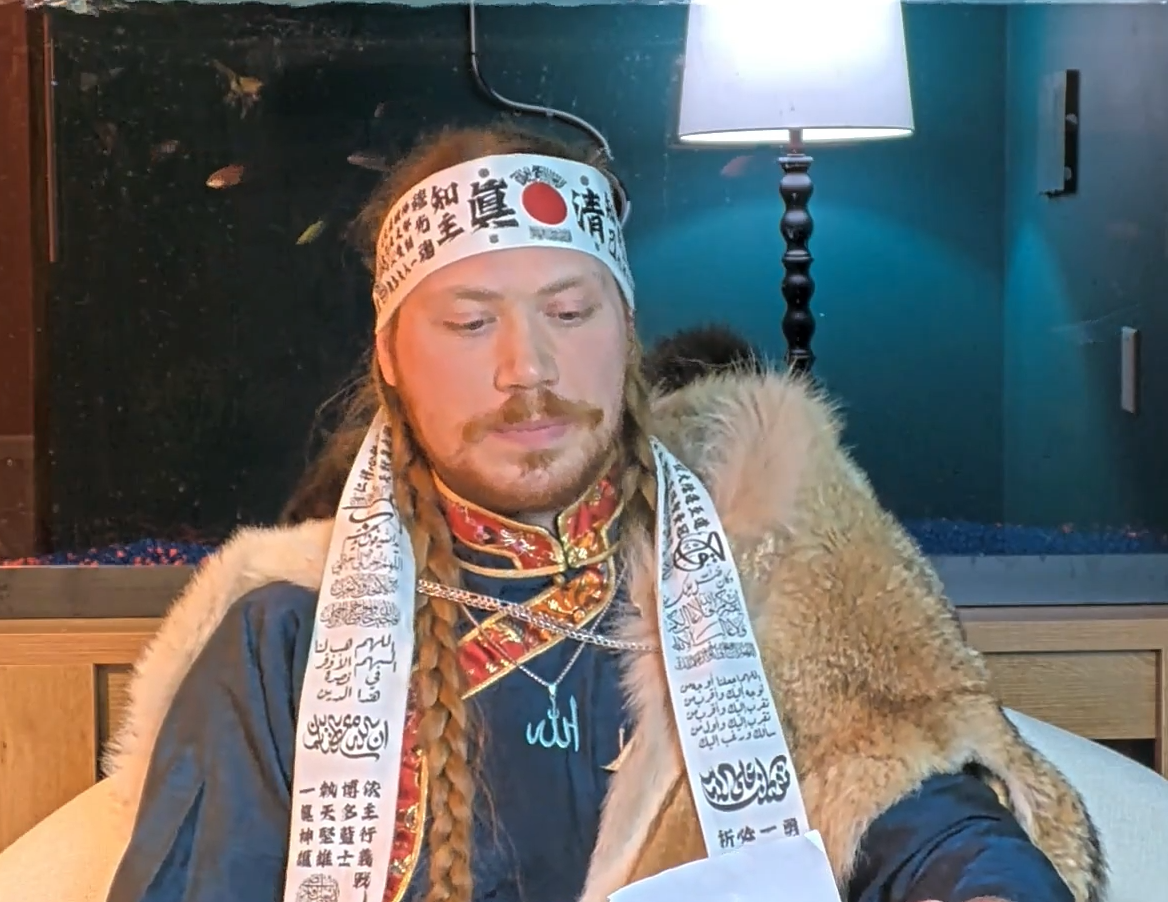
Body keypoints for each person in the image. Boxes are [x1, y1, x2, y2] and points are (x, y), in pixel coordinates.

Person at [102, 122, 1105, 902]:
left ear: (625, 331)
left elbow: (920, 815)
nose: (526, 368)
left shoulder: (766, 570)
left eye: (569, 312)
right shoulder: (285, 641)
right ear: (392, 360)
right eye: (470, 322)